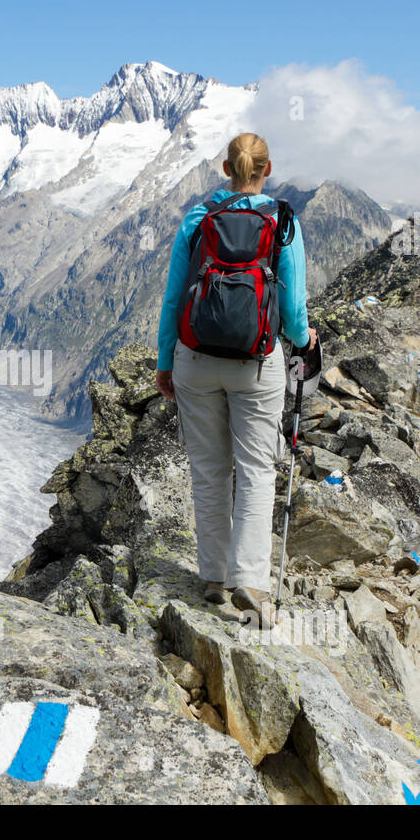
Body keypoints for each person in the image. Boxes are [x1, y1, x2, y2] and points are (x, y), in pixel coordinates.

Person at [154, 133, 316, 623]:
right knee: (256, 471)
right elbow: (291, 312)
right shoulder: (282, 222)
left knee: (208, 471)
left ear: (226, 168)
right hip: (256, 363)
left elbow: (174, 298)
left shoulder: (198, 220)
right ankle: (250, 580)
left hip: (195, 360)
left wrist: (166, 361)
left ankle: (213, 578)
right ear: (267, 169)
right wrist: (305, 342)